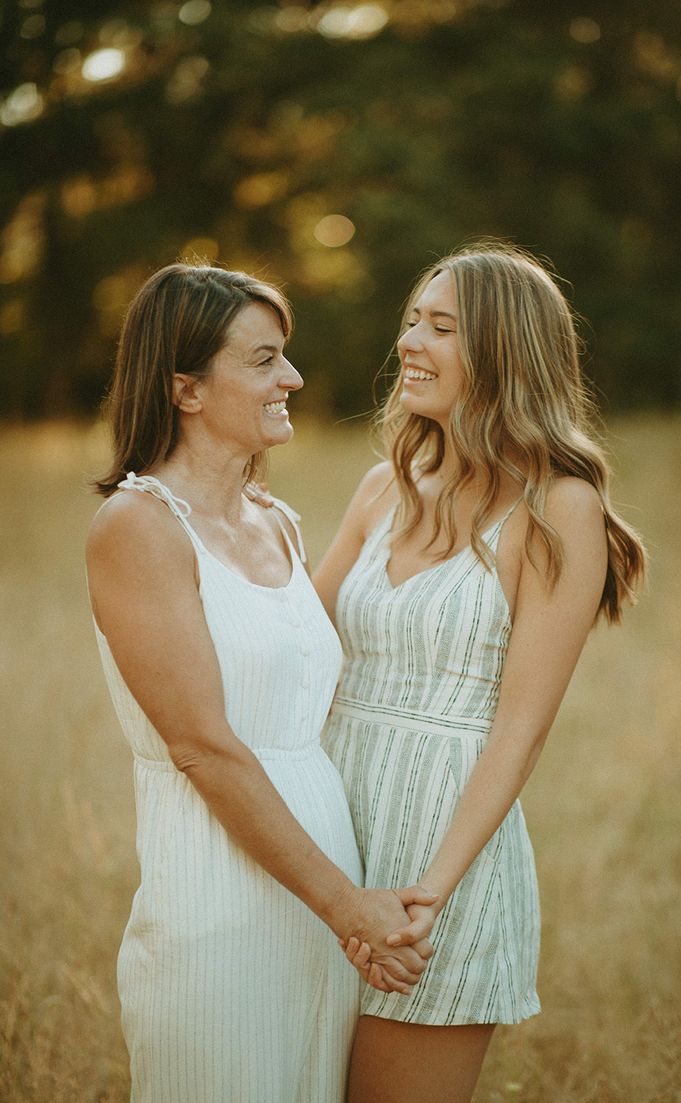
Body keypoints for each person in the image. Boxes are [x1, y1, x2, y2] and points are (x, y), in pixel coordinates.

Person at [85, 263, 436, 1103]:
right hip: (220, 898)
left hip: (318, 888)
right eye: (264, 359)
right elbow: (204, 746)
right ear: (186, 389)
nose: (293, 378)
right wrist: (349, 908)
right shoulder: (136, 526)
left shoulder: (277, 521)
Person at [314, 241, 647, 1103]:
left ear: (501, 352)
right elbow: (301, 648)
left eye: (442, 326)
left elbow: (522, 726)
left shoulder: (556, 507)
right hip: (323, 845)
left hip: (440, 853)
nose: (410, 342)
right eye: (412, 321)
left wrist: (430, 890)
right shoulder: (381, 490)